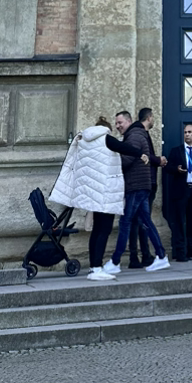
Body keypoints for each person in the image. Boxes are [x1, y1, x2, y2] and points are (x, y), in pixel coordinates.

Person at [48, 115, 123, 282]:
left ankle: (93, 267)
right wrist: (144, 155)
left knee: (96, 231)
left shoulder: (84, 141)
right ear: (107, 129)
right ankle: (96, 268)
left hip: (92, 194)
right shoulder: (106, 139)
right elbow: (125, 148)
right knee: (103, 231)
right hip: (104, 193)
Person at [102, 109, 170, 274]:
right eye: (116, 123)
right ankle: (161, 256)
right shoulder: (137, 134)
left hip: (136, 186)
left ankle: (115, 261)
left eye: (120, 122)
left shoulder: (133, 136)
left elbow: (127, 160)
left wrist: (110, 159)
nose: (118, 126)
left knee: (125, 222)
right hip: (141, 185)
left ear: (129, 121)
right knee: (146, 222)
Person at [128, 106, 164, 268]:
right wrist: (158, 160)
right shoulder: (139, 133)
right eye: (153, 117)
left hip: (144, 183)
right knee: (139, 221)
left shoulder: (140, 133)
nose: (153, 119)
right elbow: (142, 156)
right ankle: (137, 256)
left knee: (140, 221)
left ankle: (144, 255)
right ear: (149, 118)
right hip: (143, 183)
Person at [164, 122, 192, 261]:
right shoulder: (176, 151)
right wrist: (176, 169)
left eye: (189, 132)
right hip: (181, 190)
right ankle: (180, 251)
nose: (187, 135)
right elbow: (168, 168)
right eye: (185, 132)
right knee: (179, 221)